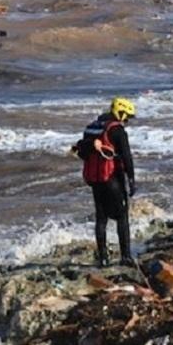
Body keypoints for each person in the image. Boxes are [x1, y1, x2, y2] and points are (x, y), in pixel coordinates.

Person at [75, 97, 137, 267]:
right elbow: (126, 157)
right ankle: (126, 257)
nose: (127, 121)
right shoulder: (117, 130)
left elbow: (82, 153)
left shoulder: (92, 128)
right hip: (112, 177)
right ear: (120, 112)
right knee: (122, 216)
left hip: (95, 179)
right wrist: (131, 179)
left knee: (101, 218)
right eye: (127, 117)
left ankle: (102, 258)